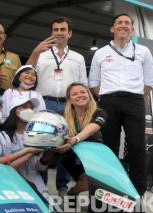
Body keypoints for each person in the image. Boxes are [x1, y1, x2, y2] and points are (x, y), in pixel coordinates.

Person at [88, 13, 153, 196]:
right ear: (112, 28)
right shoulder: (101, 53)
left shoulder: (143, 51)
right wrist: (106, 97)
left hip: (134, 100)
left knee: (137, 145)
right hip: (108, 101)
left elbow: (149, 81)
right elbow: (93, 82)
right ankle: (111, 188)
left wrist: (136, 98)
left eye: (127, 23)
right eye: (119, 22)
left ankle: (137, 191)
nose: (123, 25)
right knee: (109, 146)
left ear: (132, 29)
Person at [27, 17, 88, 196]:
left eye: (63, 29)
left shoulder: (78, 57)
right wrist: (35, 51)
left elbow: (83, 83)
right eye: (55, 29)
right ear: (52, 32)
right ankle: (42, 184)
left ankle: (62, 185)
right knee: (43, 144)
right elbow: (26, 72)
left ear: (69, 33)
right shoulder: (42, 54)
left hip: (69, 104)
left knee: (65, 145)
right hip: (45, 102)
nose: (59, 33)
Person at [54, 83, 107, 195]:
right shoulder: (61, 116)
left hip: (93, 155)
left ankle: (72, 193)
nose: (80, 95)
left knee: (94, 182)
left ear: (89, 95)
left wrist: (75, 139)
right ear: (69, 100)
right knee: (88, 182)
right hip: (71, 156)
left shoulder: (100, 112)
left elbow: (92, 128)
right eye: (75, 94)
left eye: (83, 92)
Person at [1, 96, 50, 199]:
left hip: (36, 183)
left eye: (31, 108)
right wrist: (31, 151)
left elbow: (39, 167)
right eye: (24, 107)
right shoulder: (4, 135)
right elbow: (7, 168)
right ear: (14, 110)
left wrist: (49, 152)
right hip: (12, 186)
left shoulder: (38, 134)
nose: (29, 110)